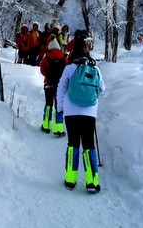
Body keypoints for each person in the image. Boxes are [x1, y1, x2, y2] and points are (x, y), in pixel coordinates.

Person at [57, 32, 105, 193]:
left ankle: (70, 180)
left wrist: (60, 107)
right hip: (89, 113)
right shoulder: (95, 68)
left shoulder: (70, 67)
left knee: (73, 144)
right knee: (88, 145)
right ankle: (92, 181)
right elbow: (102, 89)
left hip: (71, 112)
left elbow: (61, 88)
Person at [39, 37, 68, 136]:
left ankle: (46, 126)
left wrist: (47, 76)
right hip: (60, 86)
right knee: (58, 106)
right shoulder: (63, 57)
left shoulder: (47, 57)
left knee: (48, 105)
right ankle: (58, 129)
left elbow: (42, 70)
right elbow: (67, 70)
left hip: (48, 84)